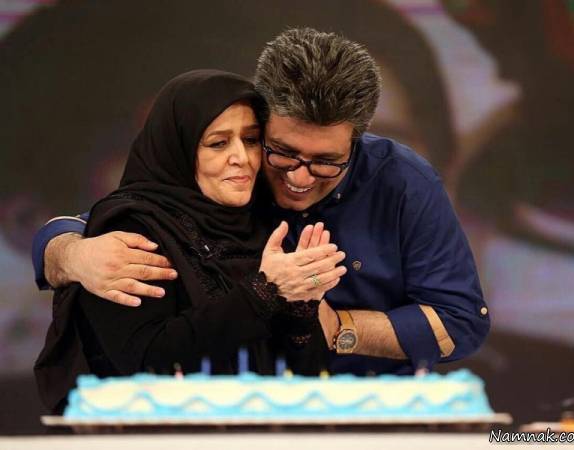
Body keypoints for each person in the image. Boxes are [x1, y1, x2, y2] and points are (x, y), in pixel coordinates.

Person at [33, 28, 490, 378]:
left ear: (356, 141)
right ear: (260, 121)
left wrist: (337, 328)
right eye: (282, 152)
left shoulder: (403, 182)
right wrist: (71, 254)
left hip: (375, 407)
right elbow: (118, 219)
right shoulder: (234, 172)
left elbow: (461, 321)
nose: (299, 178)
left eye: (326, 162)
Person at [34, 69, 347, 413]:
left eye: (251, 140)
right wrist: (263, 291)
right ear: (179, 148)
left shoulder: (264, 223)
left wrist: (301, 310)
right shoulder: (134, 227)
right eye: (218, 143)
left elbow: (304, 378)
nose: (242, 158)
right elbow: (148, 361)